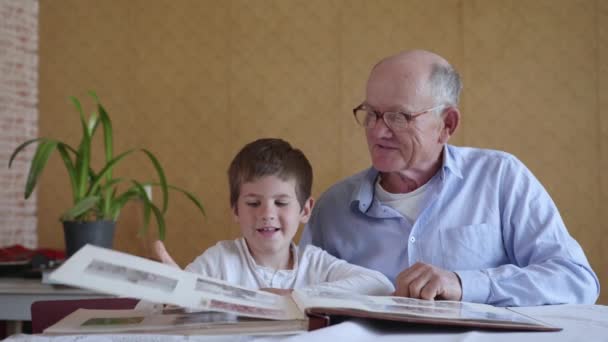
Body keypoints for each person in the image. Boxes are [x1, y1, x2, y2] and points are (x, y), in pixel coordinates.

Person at [300, 49, 600, 306]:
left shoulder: (499, 178)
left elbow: (575, 280)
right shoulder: (333, 208)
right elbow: (301, 300)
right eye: (372, 114)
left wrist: (464, 284)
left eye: (399, 116)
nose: (378, 131)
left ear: (447, 123)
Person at [155, 138, 394, 296]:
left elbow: (380, 286)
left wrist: (297, 297)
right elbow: (178, 299)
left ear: (305, 210)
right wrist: (172, 288)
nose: (267, 214)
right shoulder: (219, 261)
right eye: (253, 203)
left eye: (280, 203)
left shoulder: (316, 264)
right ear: (235, 209)